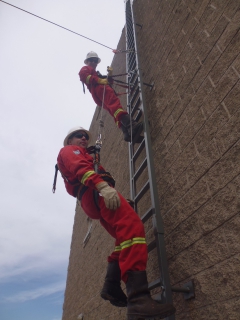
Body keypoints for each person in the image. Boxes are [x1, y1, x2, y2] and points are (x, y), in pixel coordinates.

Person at [57, 126, 176, 319]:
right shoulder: (69, 151)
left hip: (93, 197)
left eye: (85, 137)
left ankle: (111, 284)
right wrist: (102, 187)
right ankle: (138, 299)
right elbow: (81, 170)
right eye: (78, 136)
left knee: (123, 239)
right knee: (133, 229)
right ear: (69, 140)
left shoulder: (83, 154)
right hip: (95, 193)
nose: (83, 139)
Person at [79, 51, 143, 142]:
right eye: (91, 60)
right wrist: (99, 80)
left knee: (114, 112)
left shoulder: (95, 73)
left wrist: (110, 75)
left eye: (95, 61)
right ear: (87, 61)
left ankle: (127, 133)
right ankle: (131, 126)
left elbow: (108, 82)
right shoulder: (86, 69)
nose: (93, 62)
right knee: (116, 107)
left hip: (99, 93)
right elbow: (83, 76)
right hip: (100, 90)